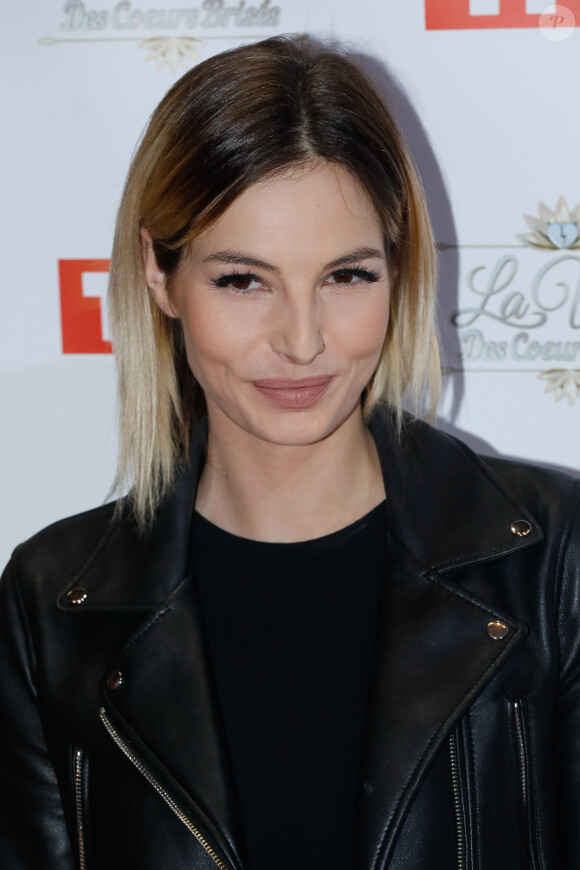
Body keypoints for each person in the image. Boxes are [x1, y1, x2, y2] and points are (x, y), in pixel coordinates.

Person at [1, 34, 579, 870]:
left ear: (398, 269)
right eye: (243, 280)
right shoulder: (53, 605)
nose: (303, 341)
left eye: (347, 277)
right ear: (158, 275)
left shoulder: (549, 563)